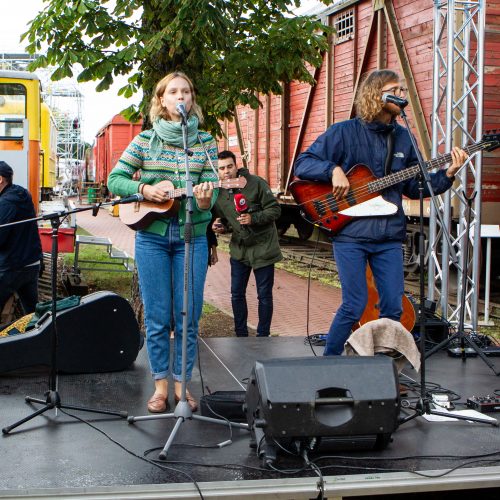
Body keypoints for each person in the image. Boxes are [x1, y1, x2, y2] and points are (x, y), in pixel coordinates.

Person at [294, 69, 468, 356]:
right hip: (350, 234)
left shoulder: (403, 137)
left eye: (402, 89)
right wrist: (333, 169)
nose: (401, 94)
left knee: (393, 306)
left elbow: (415, 187)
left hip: (389, 235)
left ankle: (384, 369)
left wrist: (447, 174)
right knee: (353, 304)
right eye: (394, 89)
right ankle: (328, 365)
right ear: (376, 93)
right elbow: (304, 162)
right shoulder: (343, 132)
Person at [107, 72, 218, 413]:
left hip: (192, 237)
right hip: (152, 237)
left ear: (192, 99)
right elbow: (115, 178)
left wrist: (203, 201)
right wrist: (143, 189)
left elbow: (211, 193)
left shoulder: (204, 142)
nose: (180, 96)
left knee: (188, 316)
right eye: (173, 91)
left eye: (186, 90)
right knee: (157, 317)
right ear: (162, 100)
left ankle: (184, 389)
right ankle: (159, 387)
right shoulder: (144, 141)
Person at [212, 150, 282, 337]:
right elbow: (227, 221)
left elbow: (275, 210)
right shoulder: (218, 193)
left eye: (229, 166)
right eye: (221, 168)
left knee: (264, 296)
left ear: (236, 166)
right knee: (236, 294)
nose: (226, 171)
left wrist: (254, 218)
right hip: (240, 250)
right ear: (217, 171)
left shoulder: (255, 183)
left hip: (263, 248)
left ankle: (263, 335)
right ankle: (241, 334)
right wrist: (221, 227)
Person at [0, 161, 43, 315]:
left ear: (0, 179)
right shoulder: (22, 194)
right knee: (32, 313)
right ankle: (39, 337)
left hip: (12, 267)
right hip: (31, 263)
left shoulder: (6, 203)